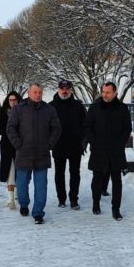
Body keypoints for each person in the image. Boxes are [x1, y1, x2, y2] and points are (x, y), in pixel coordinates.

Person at [7, 83, 62, 224]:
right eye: (35, 92)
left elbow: (57, 129)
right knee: (22, 184)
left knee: (41, 186)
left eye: (40, 92)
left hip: (42, 155)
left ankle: (38, 213)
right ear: (28, 93)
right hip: (24, 154)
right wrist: (18, 144)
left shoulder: (49, 110)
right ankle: (24, 204)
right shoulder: (19, 109)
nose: (38, 95)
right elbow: (11, 128)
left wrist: (49, 144)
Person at [84, 82, 132, 220]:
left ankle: (116, 209)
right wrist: (94, 142)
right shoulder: (94, 108)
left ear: (115, 93)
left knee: (117, 181)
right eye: (103, 92)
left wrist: (120, 143)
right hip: (98, 150)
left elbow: (127, 128)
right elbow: (88, 127)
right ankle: (95, 204)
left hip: (116, 151)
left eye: (108, 92)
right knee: (97, 179)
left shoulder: (122, 108)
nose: (104, 94)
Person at [49, 79, 87, 210]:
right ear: (58, 89)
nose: (64, 91)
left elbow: (85, 125)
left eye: (67, 88)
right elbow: (47, 127)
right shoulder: (51, 106)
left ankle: (73, 199)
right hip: (58, 145)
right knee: (59, 173)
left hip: (75, 146)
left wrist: (83, 142)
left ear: (71, 90)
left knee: (75, 173)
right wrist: (50, 142)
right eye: (62, 88)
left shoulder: (78, 106)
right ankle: (61, 199)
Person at [0, 91, 21, 209]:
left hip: (20, 146)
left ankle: (19, 194)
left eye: (15, 100)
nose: (13, 102)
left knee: (20, 170)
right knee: (10, 171)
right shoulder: (2, 113)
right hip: (7, 145)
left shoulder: (23, 111)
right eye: (10, 100)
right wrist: (9, 129)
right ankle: (11, 198)